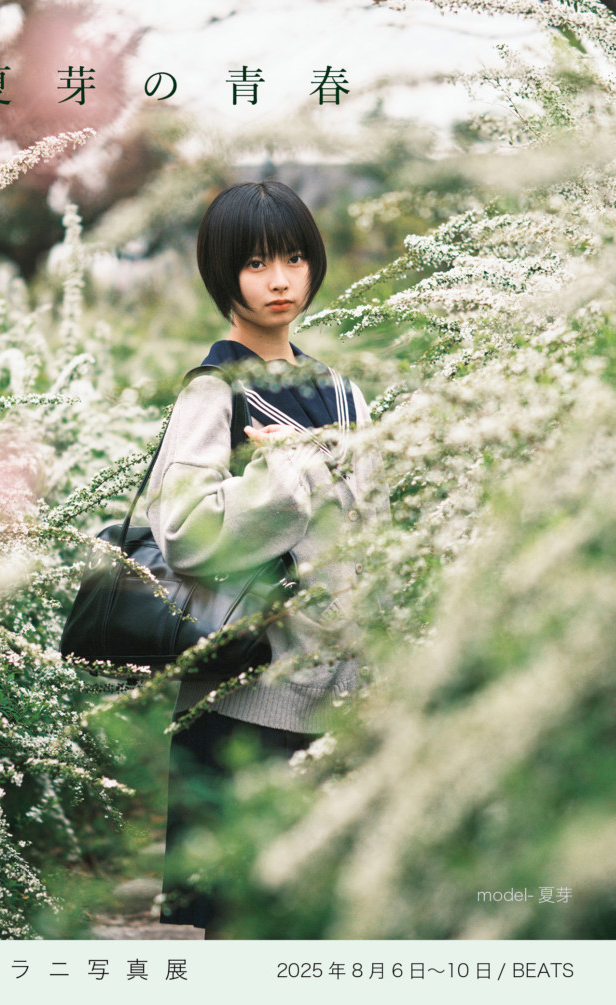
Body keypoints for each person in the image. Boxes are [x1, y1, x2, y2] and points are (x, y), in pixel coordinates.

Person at [145, 180, 389, 937]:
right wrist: (289, 474)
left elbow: (375, 535)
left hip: (344, 697)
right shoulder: (214, 393)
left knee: (326, 924)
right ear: (223, 274)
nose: (279, 280)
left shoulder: (343, 394)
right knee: (244, 925)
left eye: (292, 258)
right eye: (254, 264)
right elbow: (184, 530)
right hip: (247, 701)